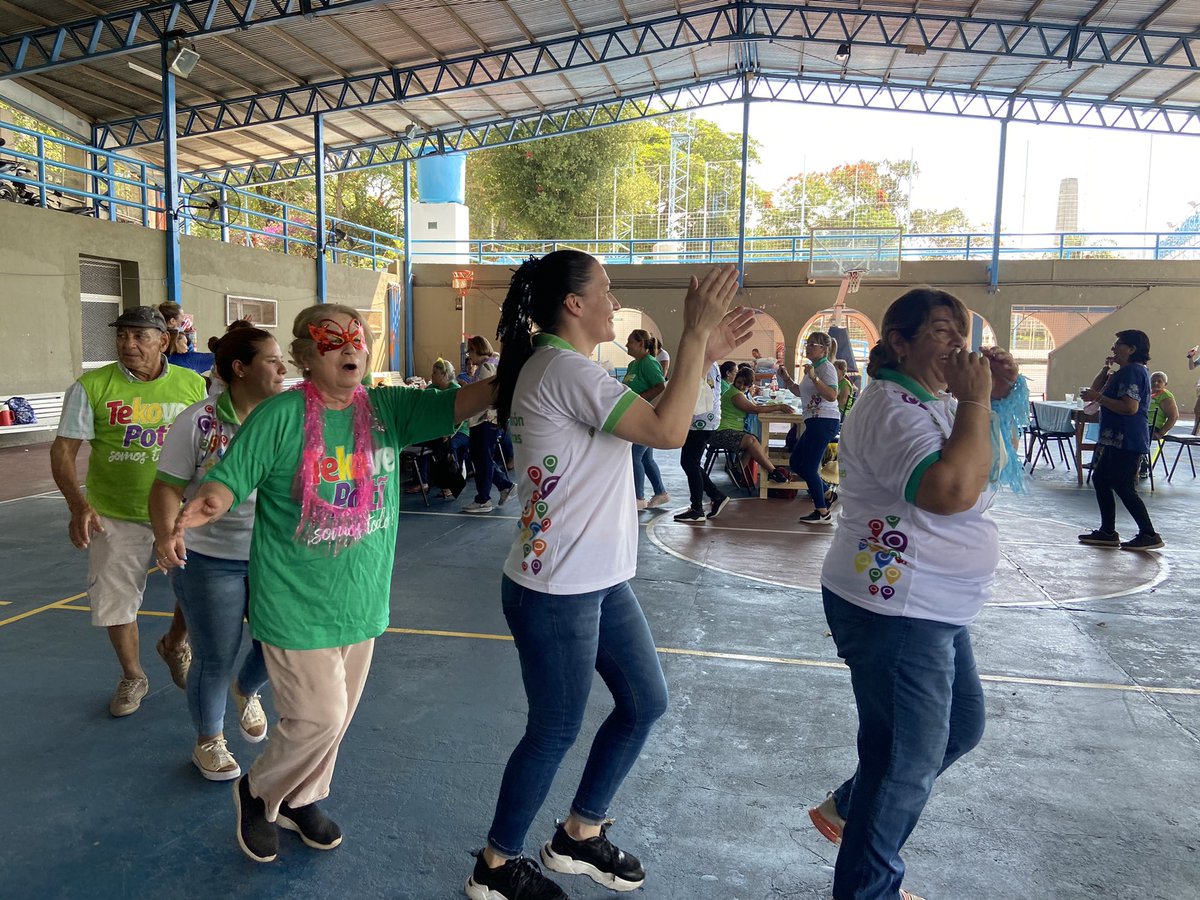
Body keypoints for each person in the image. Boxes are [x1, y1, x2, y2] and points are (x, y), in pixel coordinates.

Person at [465, 252, 750, 900]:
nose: (614, 299)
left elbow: (640, 411)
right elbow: (668, 429)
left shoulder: (565, 369)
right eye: (606, 290)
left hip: (594, 579)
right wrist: (695, 334)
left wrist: (698, 359)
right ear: (574, 304)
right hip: (556, 589)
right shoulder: (561, 366)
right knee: (555, 728)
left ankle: (579, 833)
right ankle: (495, 865)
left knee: (645, 702)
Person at [172, 304, 495, 864]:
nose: (350, 348)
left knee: (336, 719)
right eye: (332, 341)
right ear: (303, 356)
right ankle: (257, 792)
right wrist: (203, 506)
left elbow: (463, 403)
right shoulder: (279, 416)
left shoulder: (389, 409)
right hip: (295, 601)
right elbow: (228, 480)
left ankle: (302, 798)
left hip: (361, 597)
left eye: (359, 339)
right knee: (315, 718)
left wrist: (518, 369)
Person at [811, 287, 1020, 900]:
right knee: (903, 763)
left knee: (958, 725)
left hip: (935, 606)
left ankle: (853, 809)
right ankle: (868, 886)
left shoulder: (941, 402)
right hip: (897, 608)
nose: (957, 342)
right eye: (938, 330)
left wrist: (994, 401)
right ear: (899, 342)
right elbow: (948, 491)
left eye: (961, 329)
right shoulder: (891, 407)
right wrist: (978, 400)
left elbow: (987, 468)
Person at [50, 306, 207, 716]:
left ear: (164, 342)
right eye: (122, 336)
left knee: (197, 589)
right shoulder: (92, 387)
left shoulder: (194, 385)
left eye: (140, 336)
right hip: (115, 512)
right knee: (116, 599)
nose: (128, 344)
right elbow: (64, 450)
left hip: (179, 513)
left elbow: (211, 443)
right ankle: (133, 676)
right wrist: (77, 504)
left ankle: (174, 643)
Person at [149, 327, 285, 780]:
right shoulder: (200, 421)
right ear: (241, 369)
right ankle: (209, 740)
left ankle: (246, 690)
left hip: (275, 556)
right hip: (211, 559)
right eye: (272, 360)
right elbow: (167, 487)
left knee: (280, 643)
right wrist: (167, 533)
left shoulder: (288, 417)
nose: (283, 368)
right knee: (215, 654)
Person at [1078, 330, 1163, 551]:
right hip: (1115, 439)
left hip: (1127, 439)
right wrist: (1106, 369)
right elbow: (1096, 389)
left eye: (1119, 344)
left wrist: (1098, 398)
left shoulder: (1132, 372)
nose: (1114, 348)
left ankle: (1149, 533)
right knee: (1101, 479)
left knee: (1123, 486)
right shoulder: (1124, 372)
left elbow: (1130, 407)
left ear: (1132, 349)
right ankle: (1107, 531)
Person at [776, 331, 841, 524]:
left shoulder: (826, 368)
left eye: (812, 344)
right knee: (796, 463)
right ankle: (827, 493)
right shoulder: (813, 368)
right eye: (808, 343)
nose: (808, 346)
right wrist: (787, 379)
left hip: (824, 420)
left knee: (811, 467)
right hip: (813, 420)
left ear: (823, 349)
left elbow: (832, 395)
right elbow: (800, 392)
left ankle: (822, 512)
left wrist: (815, 379)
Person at [707, 362, 791, 486]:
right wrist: (778, 406)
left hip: (728, 430)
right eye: (739, 382)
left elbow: (754, 406)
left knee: (754, 441)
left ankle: (738, 470)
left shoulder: (738, 392)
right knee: (752, 441)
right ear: (735, 380)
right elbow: (755, 409)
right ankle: (772, 471)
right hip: (720, 433)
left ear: (749, 385)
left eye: (744, 384)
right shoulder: (735, 394)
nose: (741, 386)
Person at [463, 335, 515, 513]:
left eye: (470, 351)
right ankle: (504, 486)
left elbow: (481, 395)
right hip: (494, 419)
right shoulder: (497, 362)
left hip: (484, 419)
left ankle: (483, 499)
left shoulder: (486, 367)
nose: (470, 357)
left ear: (477, 349)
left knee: (482, 459)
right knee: (483, 457)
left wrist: (467, 389)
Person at [672, 359, 728, 522]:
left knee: (690, 463)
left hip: (702, 420)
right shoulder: (708, 363)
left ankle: (697, 508)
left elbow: (700, 393)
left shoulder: (706, 364)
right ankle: (715, 496)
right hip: (700, 420)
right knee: (690, 462)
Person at [407, 358, 471, 498]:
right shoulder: (431, 390)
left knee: (448, 445)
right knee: (419, 440)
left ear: (444, 375)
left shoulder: (456, 390)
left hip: (459, 431)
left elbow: (461, 418)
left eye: (435, 372)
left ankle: (451, 483)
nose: (432, 375)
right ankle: (422, 481)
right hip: (438, 431)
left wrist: (449, 432)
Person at [623, 329, 671, 510]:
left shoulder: (648, 363)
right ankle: (661, 493)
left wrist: (639, 399)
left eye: (630, 341)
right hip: (634, 415)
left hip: (644, 416)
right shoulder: (633, 365)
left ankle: (638, 497)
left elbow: (660, 386)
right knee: (646, 458)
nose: (627, 344)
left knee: (635, 455)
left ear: (641, 344)